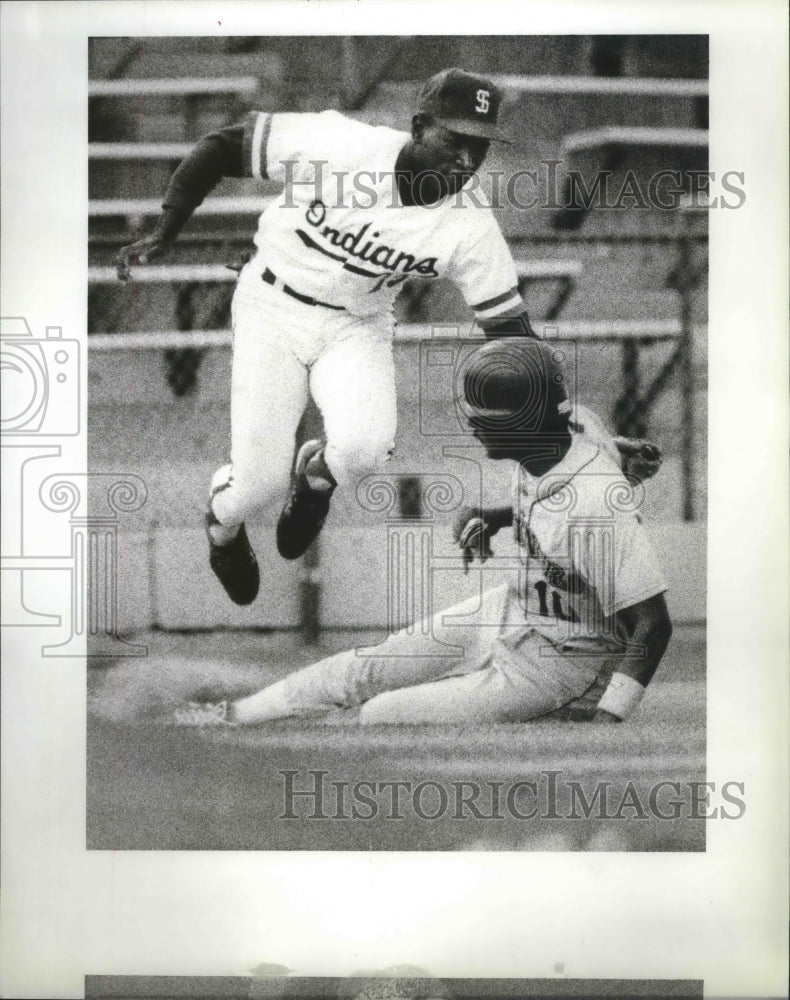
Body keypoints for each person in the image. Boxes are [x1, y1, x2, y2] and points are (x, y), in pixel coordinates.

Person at [116, 67, 539, 607]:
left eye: (479, 146)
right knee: (257, 486)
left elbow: (512, 333)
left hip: (356, 325)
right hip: (271, 304)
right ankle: (221, 528)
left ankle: (316, 480)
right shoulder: (340, 145)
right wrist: (167, 228)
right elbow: (222, 146)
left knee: (364, 449)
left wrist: (568, 425)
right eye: (455, 139)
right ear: (417, 126)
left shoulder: (470, 224)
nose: (466, 159)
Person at [174, 338, 672, 727]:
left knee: (382, 714)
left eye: (486, 419)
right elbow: (566, 480)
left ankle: (572, 711)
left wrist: (609, 717)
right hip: (512, 610)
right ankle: (232, 716)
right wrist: (496, 515)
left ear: (525, 422)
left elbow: (653, 624)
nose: (474, 426)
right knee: (365, 667)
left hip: (567, 660)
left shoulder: (596, 503)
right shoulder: (569, 428)